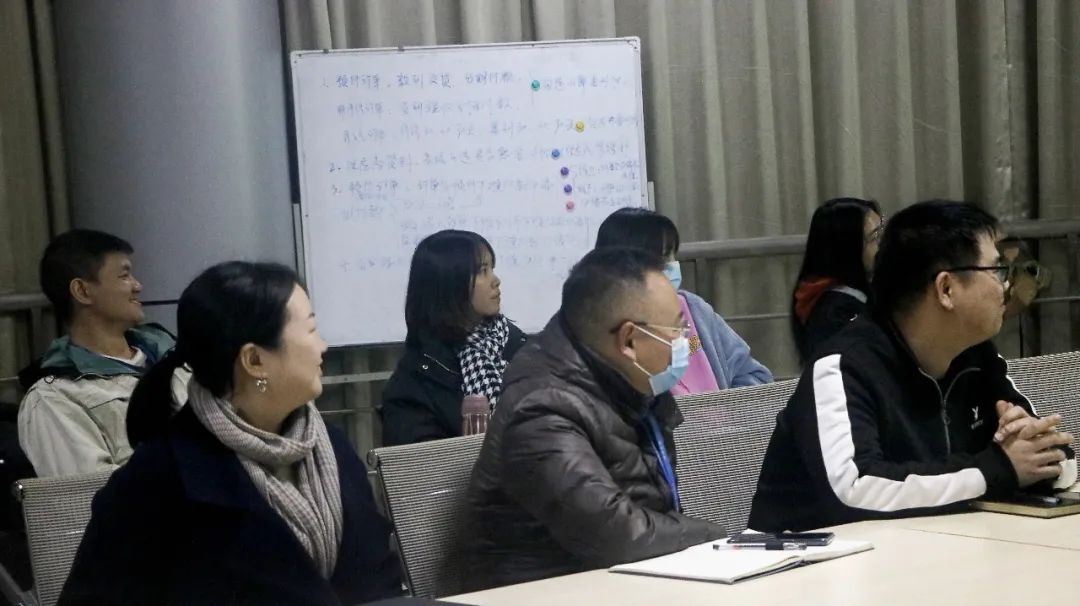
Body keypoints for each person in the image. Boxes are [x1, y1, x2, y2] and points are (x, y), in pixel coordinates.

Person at [60, 261, 401, 605]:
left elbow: (379, 581)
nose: (323, 346)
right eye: (311, 330)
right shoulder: (158, 479)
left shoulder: (330, 446)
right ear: (255, 361)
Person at [749, 200, 1075, 532]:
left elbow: (1053, 457)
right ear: (946, 289)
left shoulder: (976, 356)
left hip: (934, 543)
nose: (1005, 285)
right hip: (812, 555)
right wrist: (997, 469)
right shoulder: (843, 364)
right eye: (996, 270)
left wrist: (1038, 458)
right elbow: (855, 489)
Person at [462, 247, 726, 591]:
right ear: (629, 340)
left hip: (626, 581)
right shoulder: (541, 408)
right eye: (676, 329)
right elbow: (619, 536)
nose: (685, 341)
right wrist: (718, 539)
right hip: (543, 592)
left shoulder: (632, 380)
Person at [17, 229, 188, 477]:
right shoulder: (55, 397)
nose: (138, 286)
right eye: (124, 276)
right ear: (82, 291)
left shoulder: (180, 359)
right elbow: (86, 491)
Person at [594, 207, 772, 395]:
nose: (672, 265)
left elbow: (755, 375)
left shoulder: (694, 310)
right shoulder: (603, 333)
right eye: (663, 258)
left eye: (672, 256)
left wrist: (727, 407)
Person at [381, 230, 527, 446]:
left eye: (492, 269)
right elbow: (421, 463)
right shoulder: (414, 385)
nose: (496, 281)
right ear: (450, 284)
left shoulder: (518, 346)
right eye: (483, 271)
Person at [790, 198, 883, 363]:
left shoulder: (862, 292)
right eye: (875, 237)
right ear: (849, 249)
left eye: (882, 232)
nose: (883, 245)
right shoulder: (833, 315)